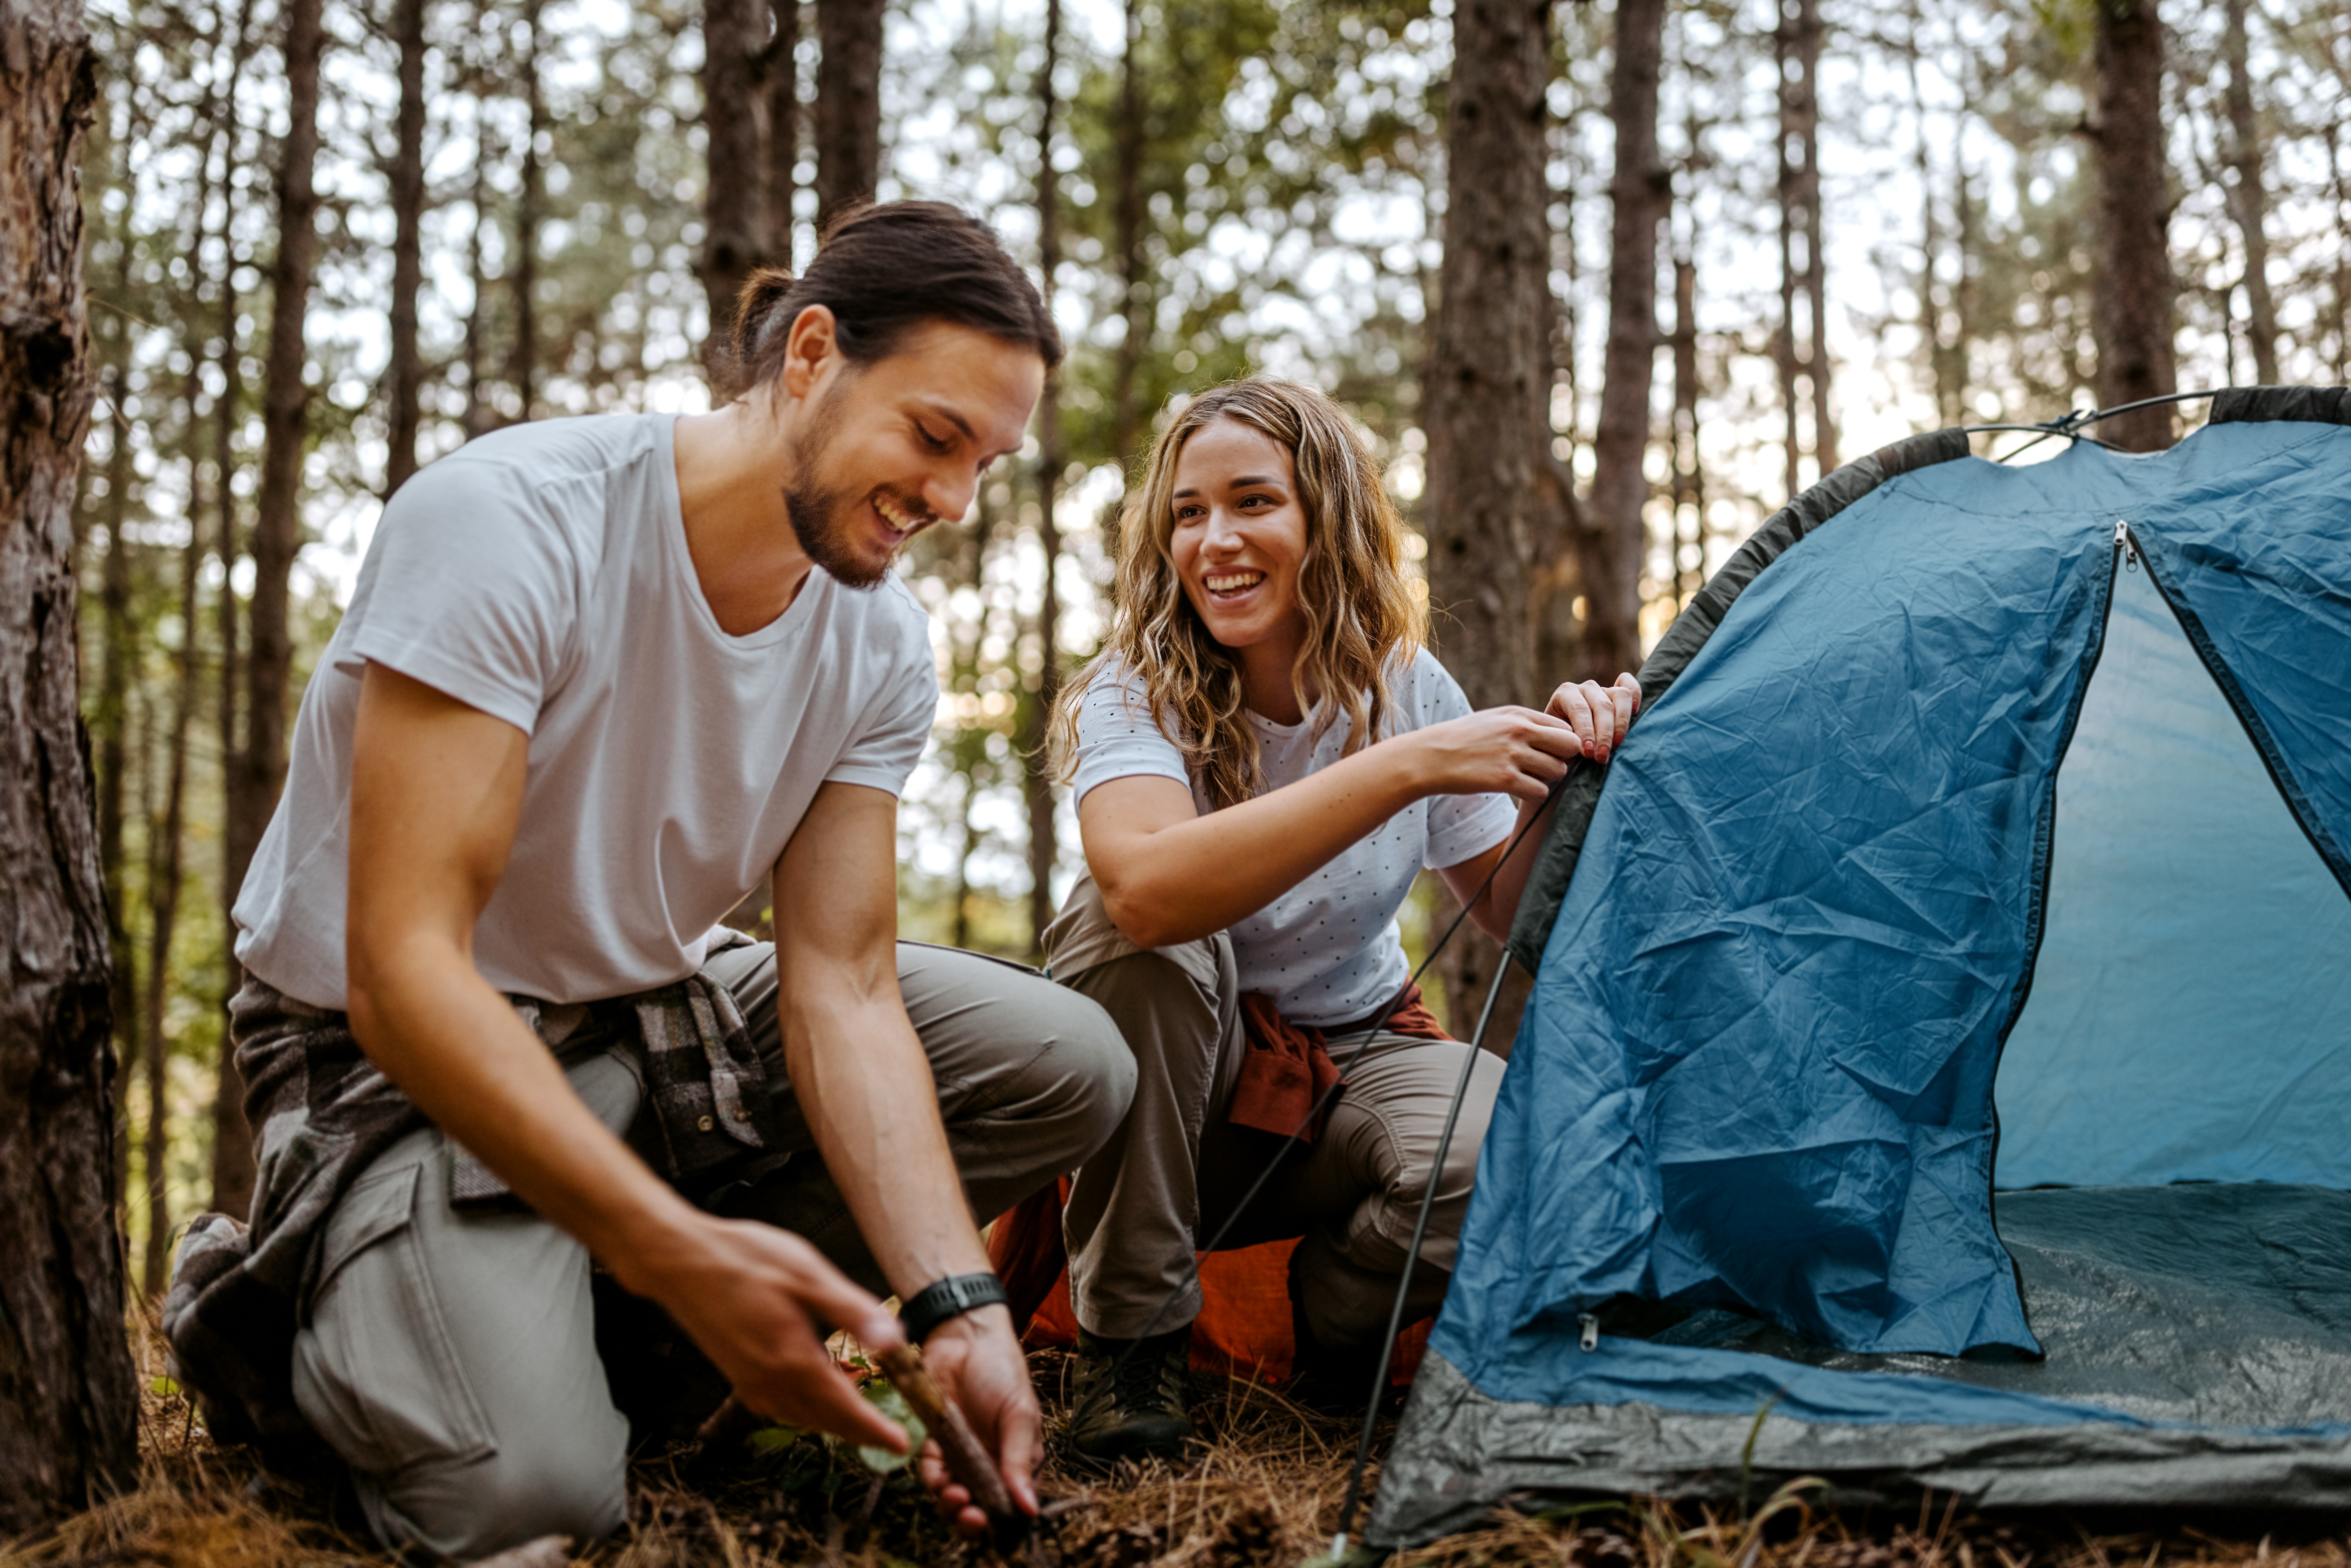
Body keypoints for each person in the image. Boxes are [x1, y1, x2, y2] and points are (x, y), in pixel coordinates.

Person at [163, 202, 1135, 1559]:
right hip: (395, 1056)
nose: (955, 501)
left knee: (1063, 1057)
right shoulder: (509, 522)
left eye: (988, 461)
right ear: (808, 356)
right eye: (932, 435)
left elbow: (845, 988)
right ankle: (319, 1313)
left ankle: (596, 1321)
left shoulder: (880, 642)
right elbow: (403, 972)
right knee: (533, 1502)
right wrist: (688, 1247)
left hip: (653, 1009)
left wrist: (957, 1305)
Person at [1040, 376, 1639, 1462]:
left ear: (1329, 515)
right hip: (1175, 1096)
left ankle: (1328, 1321)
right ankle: (1130, 1360)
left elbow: (1508, 910)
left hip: (1357, 1050)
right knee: (1134, 937)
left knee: (1519, 1157)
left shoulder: (1409, 687)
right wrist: (1405, 769)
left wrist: (1576, 772)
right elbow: (1145, 890)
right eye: (1187, 512)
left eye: (1253, 502)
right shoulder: (1135, 693)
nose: (1215, 540)